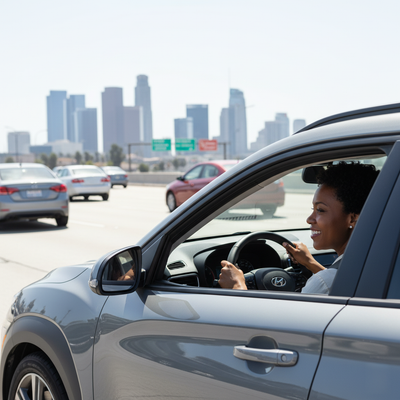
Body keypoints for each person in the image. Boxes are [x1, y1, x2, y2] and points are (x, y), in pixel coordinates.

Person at [218, 162, 379, 294]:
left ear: (352, 218)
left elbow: (280, 333)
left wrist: (237, 287)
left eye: (320, 210)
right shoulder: (376, 262)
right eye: (312, 209)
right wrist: (311, 263)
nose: (309, 219)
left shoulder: (324, 282)